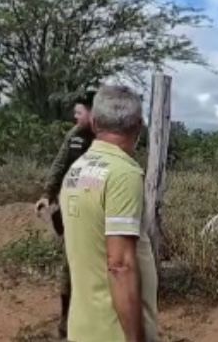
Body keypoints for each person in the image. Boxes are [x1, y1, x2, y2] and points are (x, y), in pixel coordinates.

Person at [59, 85, 158, 342]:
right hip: (113, 332)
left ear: (93, 122)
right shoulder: (123, 174)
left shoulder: (76, 171)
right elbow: (120, 266)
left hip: (82, 327)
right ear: (138, 126)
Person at [35, 90, 97, 338]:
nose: (74, 116)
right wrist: (47, 194)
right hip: (72, 209)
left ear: (94, 112)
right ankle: (66, 319)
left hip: (98, 209)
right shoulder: (73, 136)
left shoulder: (107, 137)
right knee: (69, 263)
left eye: (79, 112)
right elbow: (59, 165)